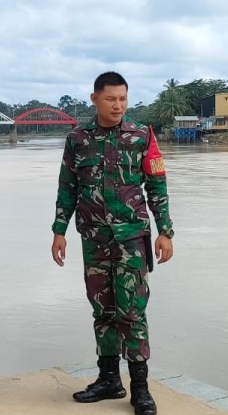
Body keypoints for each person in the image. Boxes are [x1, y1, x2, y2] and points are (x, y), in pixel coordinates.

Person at [51, 71, 174, 415]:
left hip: (132, 238)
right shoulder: (77, 138)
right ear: (95, 99)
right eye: (110, 99)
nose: (118, 105)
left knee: (132, 312)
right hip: (93, 239)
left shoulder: (142, 136)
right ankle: (109, 380)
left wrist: (165, 231)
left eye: (123, 99)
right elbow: (67, 186)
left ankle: (140, 389)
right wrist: (59, 230)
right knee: (102, 310)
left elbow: (157, 185)